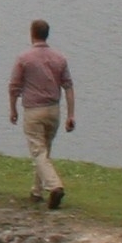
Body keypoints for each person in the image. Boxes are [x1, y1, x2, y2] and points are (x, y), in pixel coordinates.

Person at [7, 18, 74, 209]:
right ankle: (36, 192)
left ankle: (54, 186)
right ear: (47, 34)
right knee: (44, 150)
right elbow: (68, 86)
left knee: (38, 150)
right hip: (53, 110)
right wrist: (71, 114)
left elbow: (14, 86)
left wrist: (13, 108)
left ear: (31, 33)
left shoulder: (24, 58)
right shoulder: (60, 58)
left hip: (34, 110)